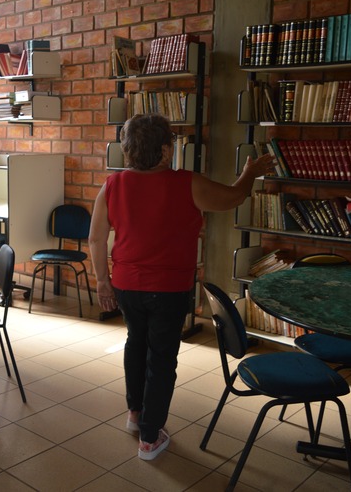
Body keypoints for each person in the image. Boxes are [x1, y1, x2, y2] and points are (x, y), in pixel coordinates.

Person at [88, 113, 273, 461]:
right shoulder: (187, 183)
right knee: (161, 358)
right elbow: (234, 197)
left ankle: (136, 414)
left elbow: (96, 238)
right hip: (169, 289)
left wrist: (102, 282)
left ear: (127, 150)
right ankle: (149, 438)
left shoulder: (112, 185)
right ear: (166, 150)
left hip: (126, 285)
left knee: (136, 344)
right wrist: (251, 171)